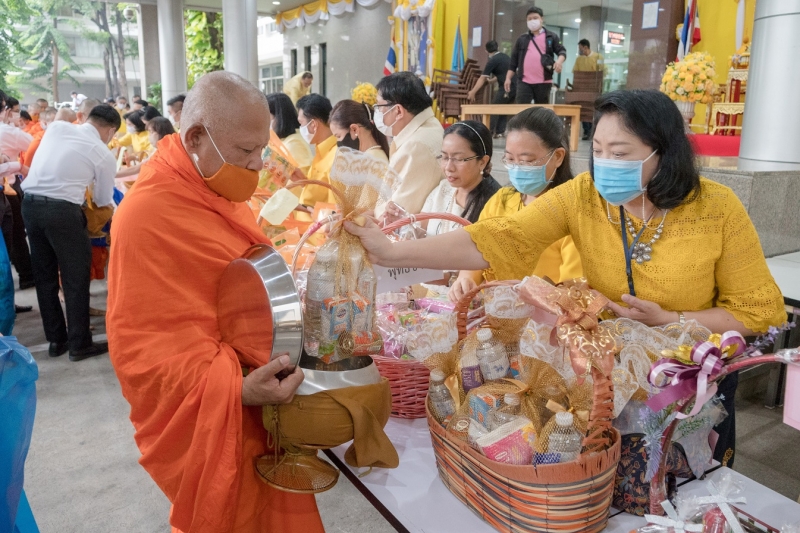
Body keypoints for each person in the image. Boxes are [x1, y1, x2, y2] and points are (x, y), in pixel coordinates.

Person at [347, 89, 786, 466]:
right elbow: (501, 237)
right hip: (608, 382)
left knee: (679, 487)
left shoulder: (717, 208)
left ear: (663, 152)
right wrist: (391, 250)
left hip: (689, 386)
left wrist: (669, 317)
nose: (605, 164)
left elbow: (758, 313)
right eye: (598, 151)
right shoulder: (583, 197)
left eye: (620, 154)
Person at [106, 71, 322, 533]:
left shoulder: (216, 187)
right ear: (196, 137)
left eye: (261, 148)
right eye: (246, 152)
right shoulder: (145, 216)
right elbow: (140, 353)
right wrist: (237, 390)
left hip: (265, 402)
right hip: (222, 408)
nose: (258, 164)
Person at [449, 108, 582, 303]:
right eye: (511, 159)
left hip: (545, 320)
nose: (517, 167)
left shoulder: (572, 210)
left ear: (558, 156)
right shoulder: (503, 199)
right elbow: (478, 245)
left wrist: (526, 295)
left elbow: (574, 288)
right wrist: (467, 278)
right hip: (493, 311)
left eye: (527, 160)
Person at [21, 104, 120, 361]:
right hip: (63, 212)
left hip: (30, 205)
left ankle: (57, 340)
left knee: (45, 277)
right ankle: (80, 344)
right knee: (75, 278)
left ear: (86, 119)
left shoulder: (57, 128)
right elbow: (101, 198)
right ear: (110, 131)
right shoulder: (102, 154)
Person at [374, 72, 444, 220]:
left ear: (398, 111)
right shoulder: (429, 126)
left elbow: (395, 215)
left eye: (379, 107)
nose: (378, 114)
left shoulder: (416, 147)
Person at [421, 121, 500, 236]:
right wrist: (399, 219)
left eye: (458, 159)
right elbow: (421, 231)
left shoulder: (494, 204)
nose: (448, 168)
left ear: (482, 162)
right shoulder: (443, 188)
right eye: (444, 157)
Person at [505, 7, 567, 105]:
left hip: (544, 81)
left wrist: (559, 62)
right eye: (529, 19)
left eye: (535, 18)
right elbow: (513, 62)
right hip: (524, 81)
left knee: (541, 111)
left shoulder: (551, 37)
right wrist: (508, 78)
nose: (532, 21)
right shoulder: (522, 39)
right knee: (521, 110)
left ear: (542, 19)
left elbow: (562, 51)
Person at [296, 94, 338, 207]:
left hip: (316, 223)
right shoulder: (320, 150)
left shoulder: (336, 157)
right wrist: (304, 182)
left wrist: (301, 208)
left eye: (301, 123)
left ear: (313, 124)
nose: (300, 128)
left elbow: (333, 213)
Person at [468, 41, 516, 138]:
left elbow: (482, 78)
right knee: (503, 108)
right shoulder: (504, 56)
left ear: (486, 51)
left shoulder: (493, 60)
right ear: (497, 47)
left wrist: (473, 92)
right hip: (516, 86)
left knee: (493, 108)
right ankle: (500, 131)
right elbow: (502, 74)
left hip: (507, 87)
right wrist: (491, 82)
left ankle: (487, 132)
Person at [266, 93, 313, 175]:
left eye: (267, 118)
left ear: (279, 118)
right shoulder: (280, 140)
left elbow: (298, 183)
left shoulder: (293, 144)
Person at [573, 38, 604, 140]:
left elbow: (602, 71)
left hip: (593, 88)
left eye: (580, 48)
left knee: (592, 109)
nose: (580, 50)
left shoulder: (598, 57)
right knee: (583, 110)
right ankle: (587, 131)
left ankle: (593, 130)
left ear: (585, 47)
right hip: (581, 88)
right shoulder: (579, 59)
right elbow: (575, 72)